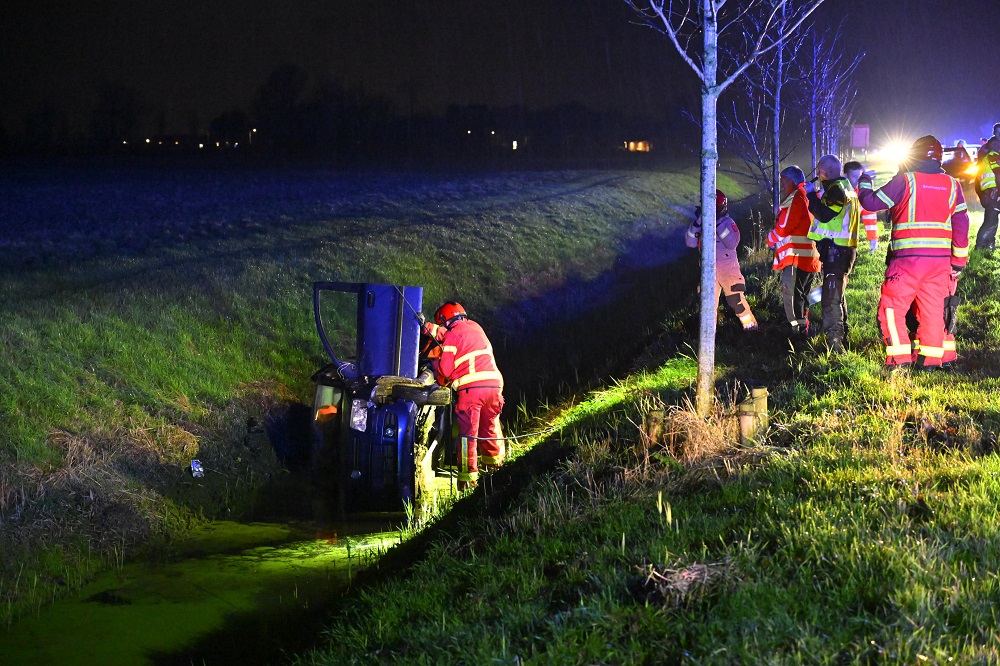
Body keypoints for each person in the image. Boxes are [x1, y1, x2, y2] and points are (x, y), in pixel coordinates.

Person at [857, 135, 970, 370]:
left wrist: (865, 180)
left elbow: (870, 203)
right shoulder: (952, 184)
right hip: (940, 264)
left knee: (892, 308)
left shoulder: (905, 181)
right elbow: (962, 223)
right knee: (933, 312)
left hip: (907, 262)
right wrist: (958, 261)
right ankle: (930, 362)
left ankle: (899, 361)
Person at [421, 302, 504, 490]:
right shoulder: (475, 327)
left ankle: (467, 482)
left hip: (472, 391)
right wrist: (428, 328)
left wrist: (436, 368)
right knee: (489, 428)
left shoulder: (451, 335)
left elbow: (447, 370)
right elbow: (450, 334)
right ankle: (495, 470)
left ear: (445, 320)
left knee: (468, 436)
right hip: (495, 386)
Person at [805, 154, 862, 353]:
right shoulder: (844, 187)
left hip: (837, 250)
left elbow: (825, 213)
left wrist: (811, 195)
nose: (817, 174)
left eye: (819, 171)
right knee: (837, 294)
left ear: (828, 171)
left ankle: (835, 345)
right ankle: (842, 334)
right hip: (842, 249)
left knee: (830, 298)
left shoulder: (837, 189)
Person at [685, 189, 758, 331]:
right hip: (708, 271)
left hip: (728, 271)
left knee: (736, 301)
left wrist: (716, 224)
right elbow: (690, 242)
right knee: (707, 305)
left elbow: (732, 242)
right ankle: (709, 336)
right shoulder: (700, 225)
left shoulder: (727, 222)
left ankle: (751, 329)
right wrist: (697, 224)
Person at [766, 165, 821, 335]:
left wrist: (769, 239)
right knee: (802, 294)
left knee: (792, 295)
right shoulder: (806, 195)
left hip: (796, 258)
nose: (782, 184)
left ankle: (796, 332)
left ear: (791, 180)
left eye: (783, 180)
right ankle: (803, 326)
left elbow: (783, 227)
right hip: (808, 256)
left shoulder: (795, 197)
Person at [844, 160, 879, 253]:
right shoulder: (839, 191)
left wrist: (873, 240)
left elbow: (870, 217)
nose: (858, 180)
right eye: (855, 177)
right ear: (845, 176)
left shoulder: (860, 192)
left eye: (860, 177)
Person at [974, 123, 1000, 250]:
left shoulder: (986, 149)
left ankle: (990, 244)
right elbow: (998, 174)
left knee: (993, 218)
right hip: (993, 190)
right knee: (991, 220)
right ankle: (980, 246)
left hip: (987, 190)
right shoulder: (993, 151)